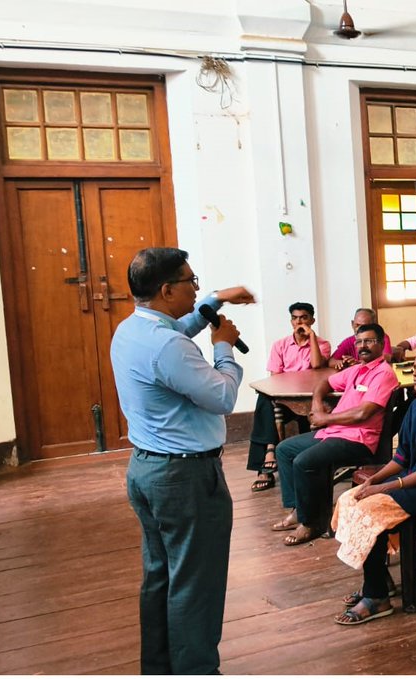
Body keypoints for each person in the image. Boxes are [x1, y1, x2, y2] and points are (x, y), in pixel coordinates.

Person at [110, 247, 254, 674]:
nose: (195, 288)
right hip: (185, 477)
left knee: (162, 576)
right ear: (167, 289)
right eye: (191, 282)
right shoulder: (169, 346)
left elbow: (177, 332)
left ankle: (159, 667)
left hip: (148, 470)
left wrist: (213, 301)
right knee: (196, 585)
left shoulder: (132, 329)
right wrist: (224, 348)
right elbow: (223, 396)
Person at [328, 348, 416, 625]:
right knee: (350, 498)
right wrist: (375, 479)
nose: (415, 373)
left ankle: (377, 598)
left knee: (369, 510)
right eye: (415, 367)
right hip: (413, 480)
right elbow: (402, 456)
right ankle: (379, 579)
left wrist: (386, 488)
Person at [272, 324, 399, 546]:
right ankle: (298, 510)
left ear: (381, 344)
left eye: (369, 341)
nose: (363, 346)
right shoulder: (357, 369)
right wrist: (317, 405)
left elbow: (363, 413)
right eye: (359, 342)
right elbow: (324, 383)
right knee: (284, 450)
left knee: (305, 461)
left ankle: (312, 523)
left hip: (359, 439)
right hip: (334, 432)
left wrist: (324, 420)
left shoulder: (383, 373)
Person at [249, 302, 332, 492]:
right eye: (295, 318)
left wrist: (311, 338)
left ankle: (268, 465)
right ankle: (269, 453)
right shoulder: (280, 345)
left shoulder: (322, 345)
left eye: (303, 317)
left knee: (266, 409)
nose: (299, 322)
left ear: (312, 320)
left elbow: (317, 365)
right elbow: (274, 378)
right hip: (285, 397)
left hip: (310, 397)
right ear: (291, 321)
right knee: (264, 401)